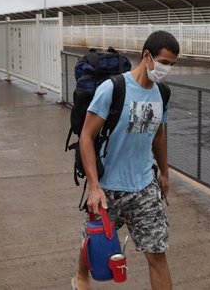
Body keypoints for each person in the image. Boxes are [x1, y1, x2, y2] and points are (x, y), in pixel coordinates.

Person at [72, 30, 179, 290]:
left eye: (172, 65)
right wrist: (95, 187)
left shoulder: (161, 93)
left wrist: (164, 174)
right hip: (108, 187)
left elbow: (159, 136)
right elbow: (86, 136)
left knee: (157, 254)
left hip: (144, 187)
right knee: (94, 242)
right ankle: (82, 278)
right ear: (147, 56)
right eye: (164, 62)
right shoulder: (113, 89)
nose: (167, 69)